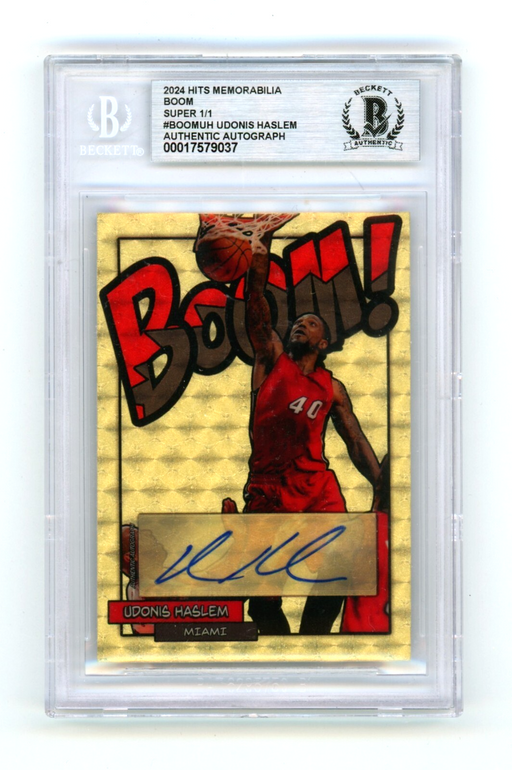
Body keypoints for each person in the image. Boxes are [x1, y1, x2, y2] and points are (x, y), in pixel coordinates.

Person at [243, 226, 388, 635]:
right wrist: (260, 250)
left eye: (310, 324)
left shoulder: (331, 388)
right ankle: (280, 647)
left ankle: (314, 639)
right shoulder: (271, 358)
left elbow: (354, 439)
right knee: (262, 598)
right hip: (270, 487)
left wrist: (382, 481)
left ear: (323, 343)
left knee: (341, 566)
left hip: (316, 487)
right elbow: (255, 304)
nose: (300, 326)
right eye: (297, 322)